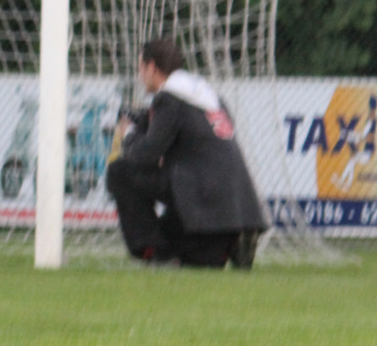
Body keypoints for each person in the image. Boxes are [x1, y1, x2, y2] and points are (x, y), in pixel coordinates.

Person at [104, 37, 268, 267]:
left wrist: (129, 132)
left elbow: (145, 155)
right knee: (193, 260)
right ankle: (233, 240)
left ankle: (154, 251)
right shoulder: (207, 95)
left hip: (203, 196)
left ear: (151, 67)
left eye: (140, 67)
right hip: (232, 205)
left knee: (120, 171)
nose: (139, 75)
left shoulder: (168, 98)